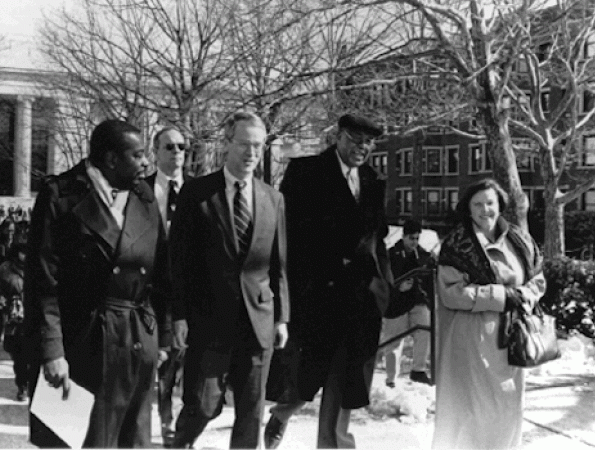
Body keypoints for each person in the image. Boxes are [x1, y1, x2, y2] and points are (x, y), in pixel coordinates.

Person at [24, 119, 168, 448]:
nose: (146, 162)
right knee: (75, 442)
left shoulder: (144, 195)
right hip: (79, 344)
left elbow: (163, 275)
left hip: (135, 343)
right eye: (138, 155)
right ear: (111, 159)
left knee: (132, 441)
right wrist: (52, 351)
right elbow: (43, 283)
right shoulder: (59, 194)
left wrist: (163, 338)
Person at [264, 114, 389, 449]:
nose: (361, 148)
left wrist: (384, 286)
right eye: (355, 139)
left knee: (346, 382)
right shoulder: (306, 172)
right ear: (338, 136)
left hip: (359, 299)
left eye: (368, 142)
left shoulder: (374, 180)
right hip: (317, 296)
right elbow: (291, 236)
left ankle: (333, 445)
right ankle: (283, 412)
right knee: (309, 377)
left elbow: (378, 238)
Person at [169, 111, 289, 449]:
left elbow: (279, 264)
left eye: (258, 146)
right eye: (244, 145)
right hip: (210, 321)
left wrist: (282, 317)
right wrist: (179, 315)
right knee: (203, 405)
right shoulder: (197, 195)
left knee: (251, 413)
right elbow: (179, 262)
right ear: (226, 145)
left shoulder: (272, 198)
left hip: (258, 321)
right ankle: (179, 444)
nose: (251, 153)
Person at [432, 178, 546, 449]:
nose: (485, 210)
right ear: (468, 208)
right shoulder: (457, 244)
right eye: (478, 204)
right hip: (471, 338)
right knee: (474, 410)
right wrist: (502, 296)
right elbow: (451, 292)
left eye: (490, 203)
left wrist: (524, 296)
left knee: (507, 409)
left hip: (512, 337)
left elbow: (538, 280)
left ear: (500, 205)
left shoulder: (520, 240)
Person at [145, 126, 192, 446]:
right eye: (169, 147)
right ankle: (157, 419)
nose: (176, 152)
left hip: (186, 294)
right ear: (155, 152)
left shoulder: (199, 192)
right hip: (147, 293)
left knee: (178, 363)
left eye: (181, 147)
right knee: (155, 361)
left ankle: (171, 419)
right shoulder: (140, 191)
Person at [381, 219, 434, 388]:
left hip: (417, 301)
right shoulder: (390, 255)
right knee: (394, 341)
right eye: (411, 238)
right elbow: (383, 281)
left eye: (417, 238)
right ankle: (390, 379)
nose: (414, 242)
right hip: (396, 304)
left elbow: (432, 277)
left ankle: (418, 369)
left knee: (425, 329)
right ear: (403, 236)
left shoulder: (424, 256)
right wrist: (398, 287)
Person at [0, 242, 29, 401]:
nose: (25, 256)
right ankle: (22, 386)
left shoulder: (39, 266)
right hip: (14, 318)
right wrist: (1, 301)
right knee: (18, 355)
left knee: (34, 356)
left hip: (34, 317)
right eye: (23, 253)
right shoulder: (5, 269)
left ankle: (32, 385)